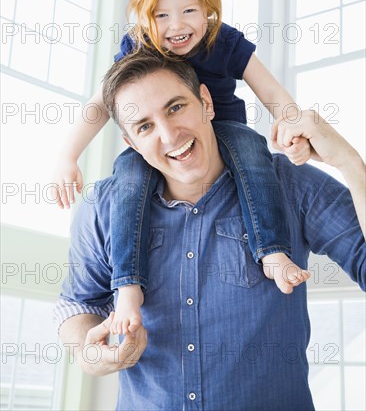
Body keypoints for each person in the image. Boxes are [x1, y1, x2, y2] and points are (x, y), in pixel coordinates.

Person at [55, 50, 365, 411]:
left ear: (206, 102)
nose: (169, 135)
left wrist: (350, 163)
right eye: (144, 126)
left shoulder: (289, 185)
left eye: (176, 108)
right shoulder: (102, 207)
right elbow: (79, 302)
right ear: (132, 144)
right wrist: (90, 354)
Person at [53, 0, 313, 337]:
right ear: (144, 14)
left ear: (207, 6)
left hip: (223, 128)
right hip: (163, 146)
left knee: (253, 152)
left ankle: (272, 250)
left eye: (189, 11)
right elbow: (99, 105)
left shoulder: (223, 41)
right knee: (127, 176)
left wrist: (292, 124)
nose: (176, 26)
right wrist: (68, 155)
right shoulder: (138, 47)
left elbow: (270, 90)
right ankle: (127, 285)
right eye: (161, 14)